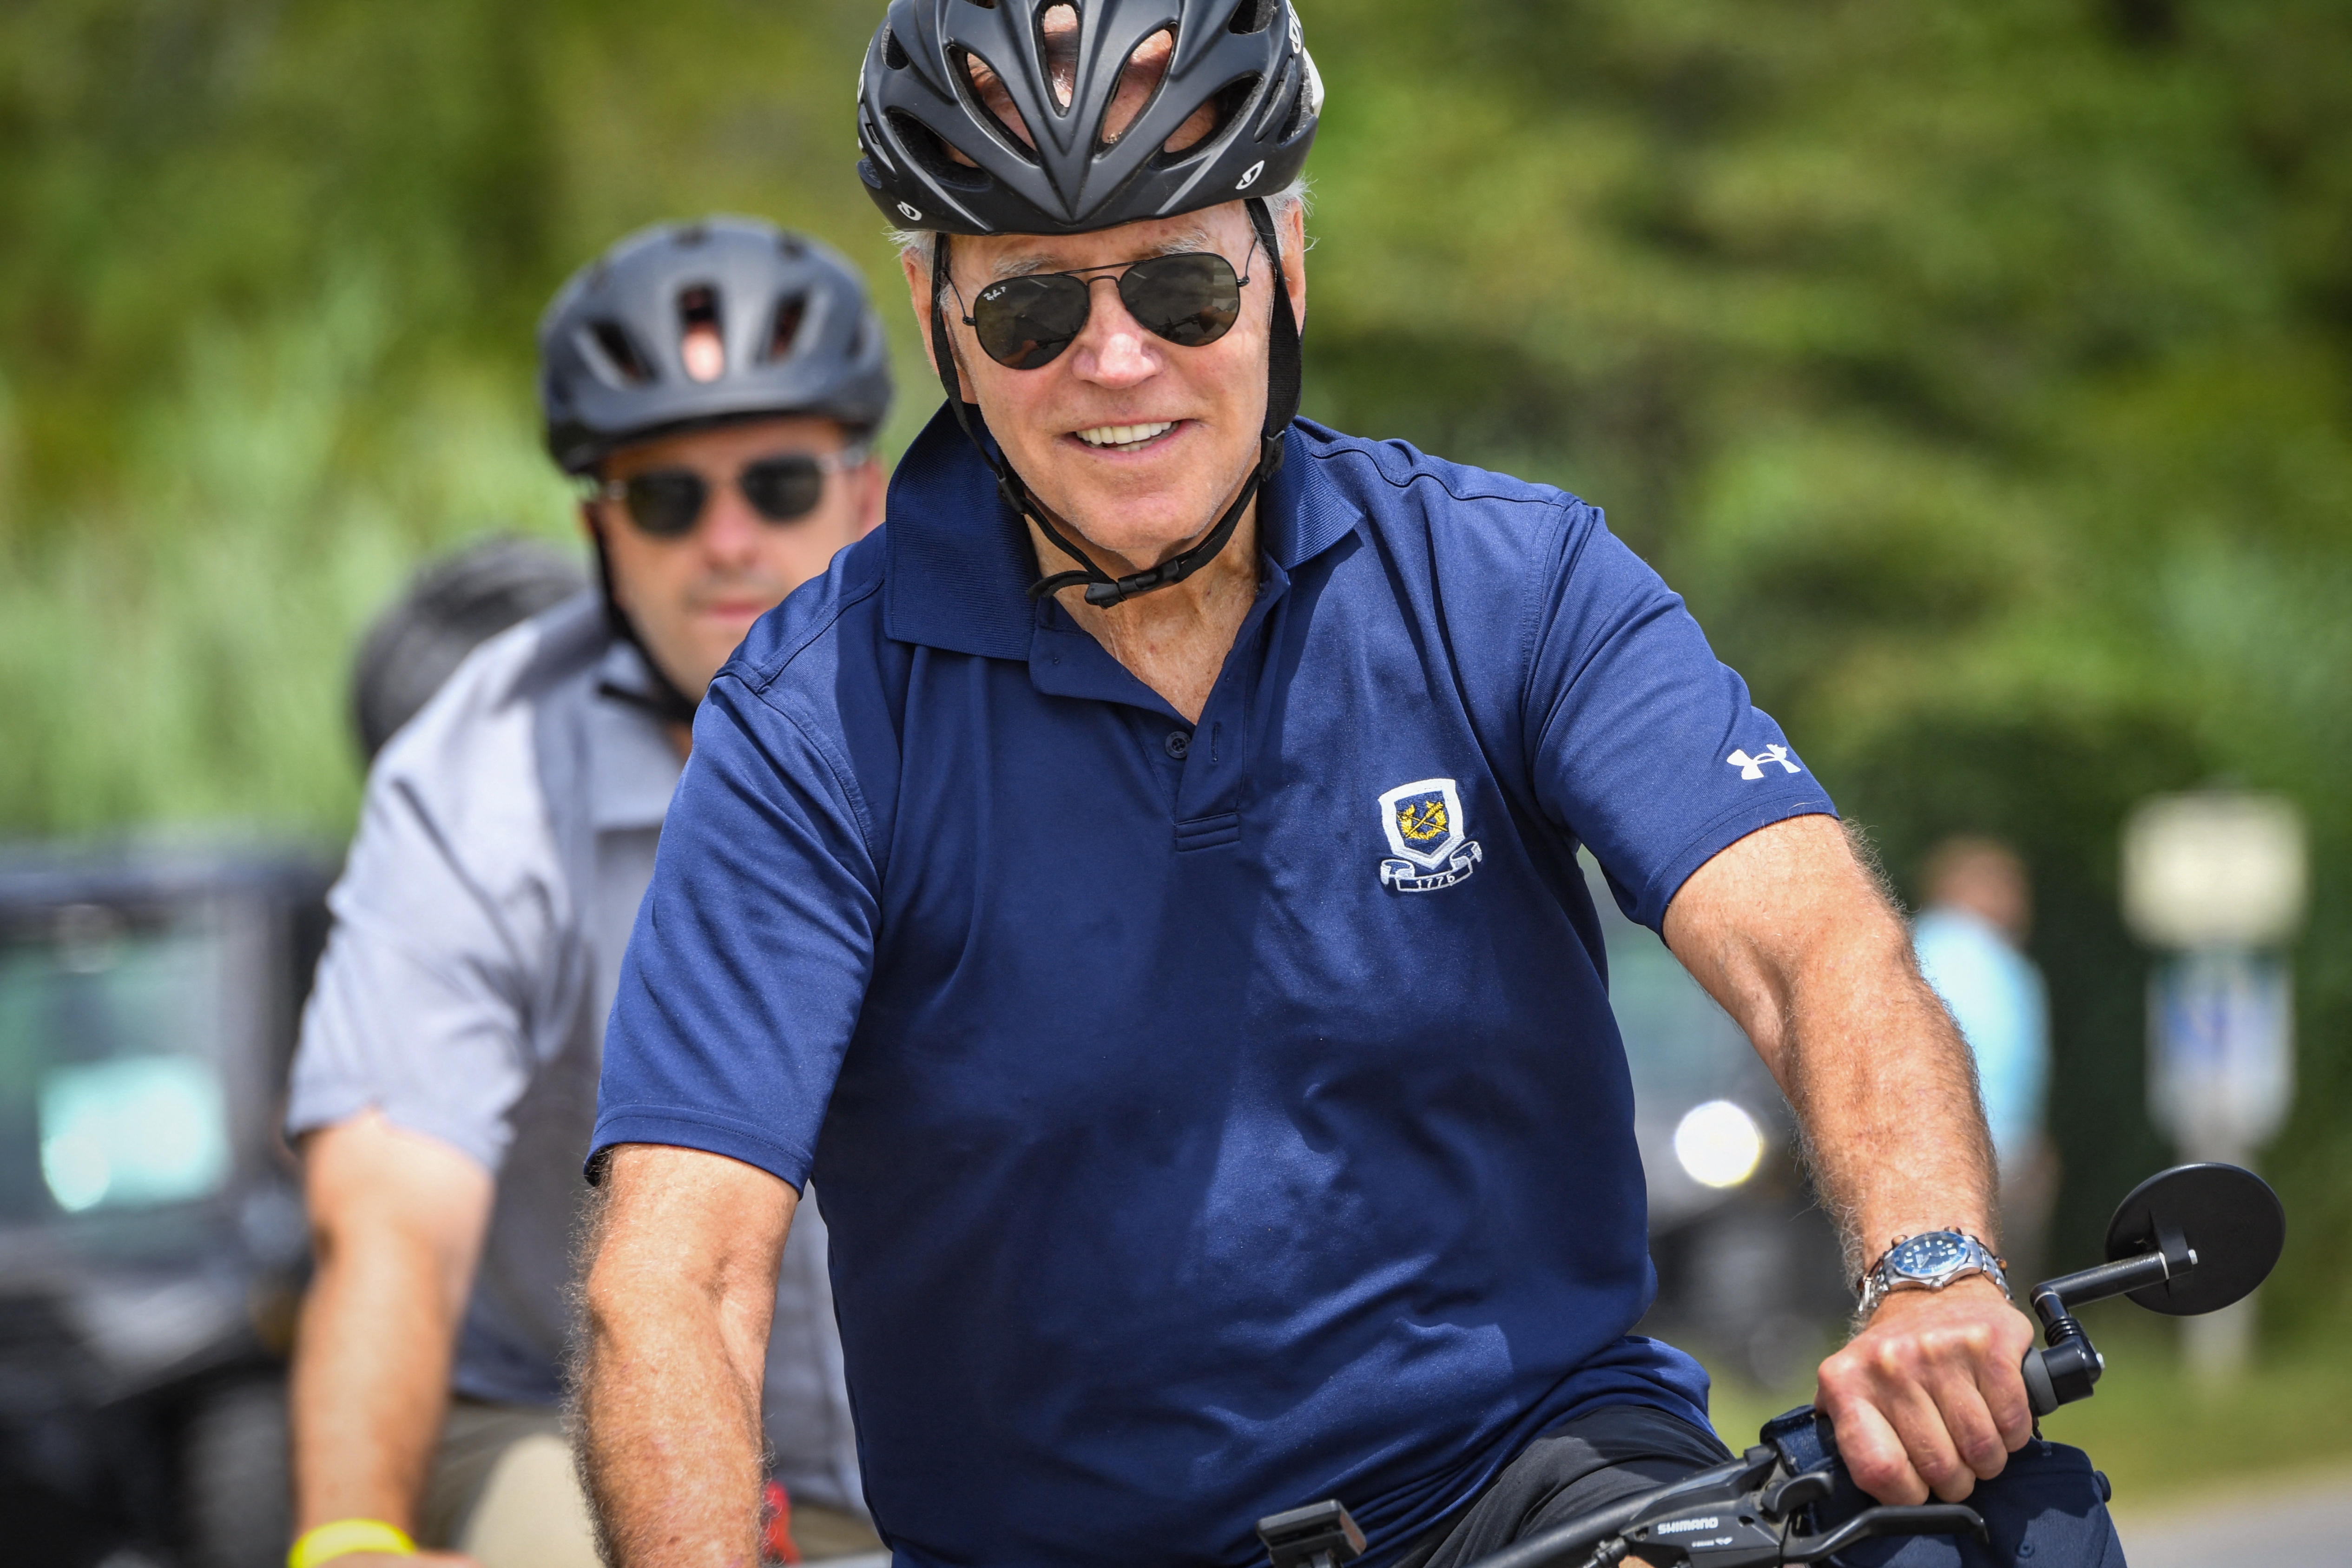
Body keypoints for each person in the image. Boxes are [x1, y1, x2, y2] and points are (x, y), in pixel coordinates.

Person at [575, 7, 2121, 1566]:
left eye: (1182, 285)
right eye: (1034, 309)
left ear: (1283, 267)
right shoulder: (810, 720)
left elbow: (1811, 942)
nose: (1118, 362)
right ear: (937, 317)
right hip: (1067, 1546)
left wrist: (1928, 1264)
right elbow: (681, 1275)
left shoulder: (1508, 579)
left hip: (1537, 1489)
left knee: (2001, 1541)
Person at [283, 217, 893, 1568]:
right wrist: (351, 1535)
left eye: (779, 482)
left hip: (937, 1433)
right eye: (668, 497)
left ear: (868, 495)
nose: (727, 540)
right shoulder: (477, 768)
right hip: (554, 1421)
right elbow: (392, 1209)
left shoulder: (1014, 709)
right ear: (599, 529)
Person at [1912, 837, 2056, 1279]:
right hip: (1959, 1148)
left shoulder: (1994, 957)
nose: (2016, 902)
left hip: (1991, 1145)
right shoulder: (1943, 951)